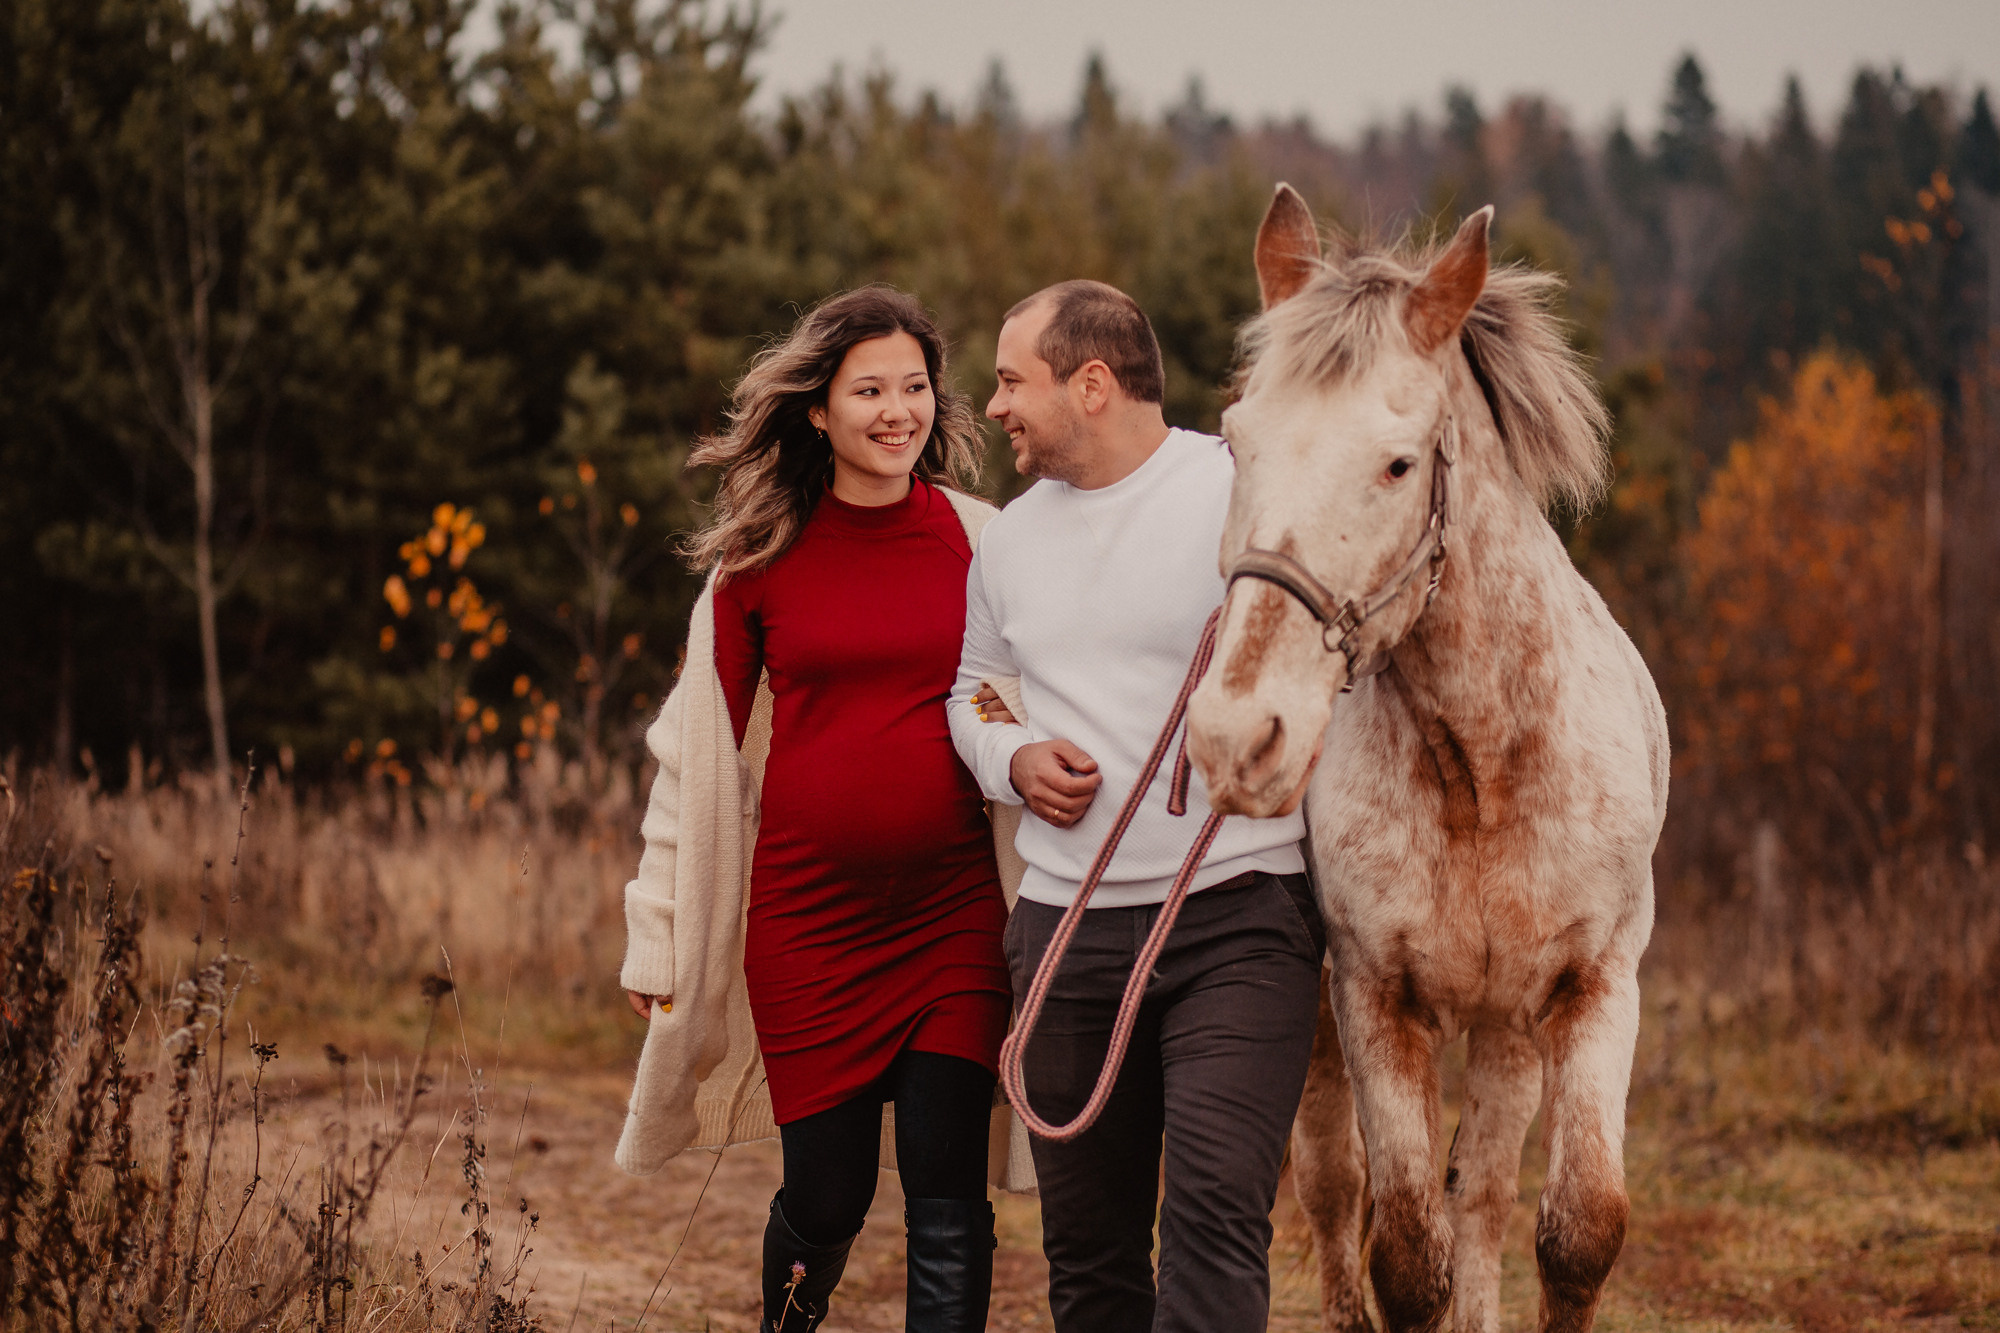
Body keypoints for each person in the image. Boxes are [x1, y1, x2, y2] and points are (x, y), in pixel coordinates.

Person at [615, 285, 1029, 1333]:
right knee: (829, 1193)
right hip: (808, 928)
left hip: (951, 918)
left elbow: (1025, 702)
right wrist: (656, 939)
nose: (898, 411)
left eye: (915, 388)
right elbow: (691, 761)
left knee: (946, 1185)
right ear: (817, 409)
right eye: (869, 390)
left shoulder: (985, 543)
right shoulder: (753, 565)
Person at [948, 281, 1324, 1333]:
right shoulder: (1010, 540)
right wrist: (1011, 754)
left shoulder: (1242, 490)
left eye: (1011, 379)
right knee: (1090, 1250)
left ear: (1093, 383)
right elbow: (972, 684)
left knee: (1212, 1212)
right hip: (1065, 936)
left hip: (1240, 917)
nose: (994, 405)